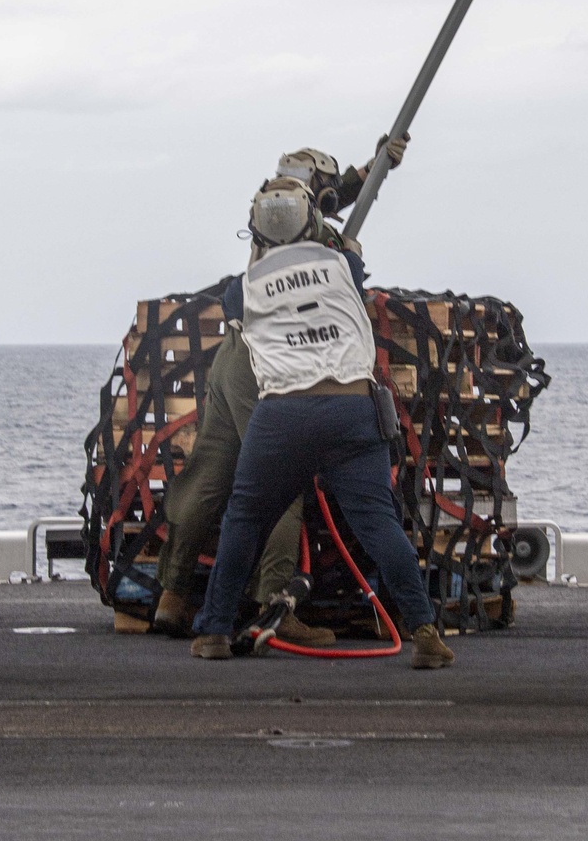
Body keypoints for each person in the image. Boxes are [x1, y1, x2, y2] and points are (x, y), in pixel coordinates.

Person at [189, 176, 453, 670]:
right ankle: (425, 633)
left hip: (282, 415)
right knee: (379, 524)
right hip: (353, 410)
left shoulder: (240, 291)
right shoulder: (343, 265)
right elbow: (347, 259)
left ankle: (215, 632)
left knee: (245, 520)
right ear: (312, 221)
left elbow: (249, 302)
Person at [153, 137, 409, 642]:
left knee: (210, 473)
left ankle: (173, 595)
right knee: (279, 483)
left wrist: (373, 168)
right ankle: (273, 606)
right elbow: (335, 253)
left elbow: (324, 199)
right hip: (268, 365)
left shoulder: (269, 212)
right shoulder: (306, 230)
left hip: (232, 358)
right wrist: (366, 186)